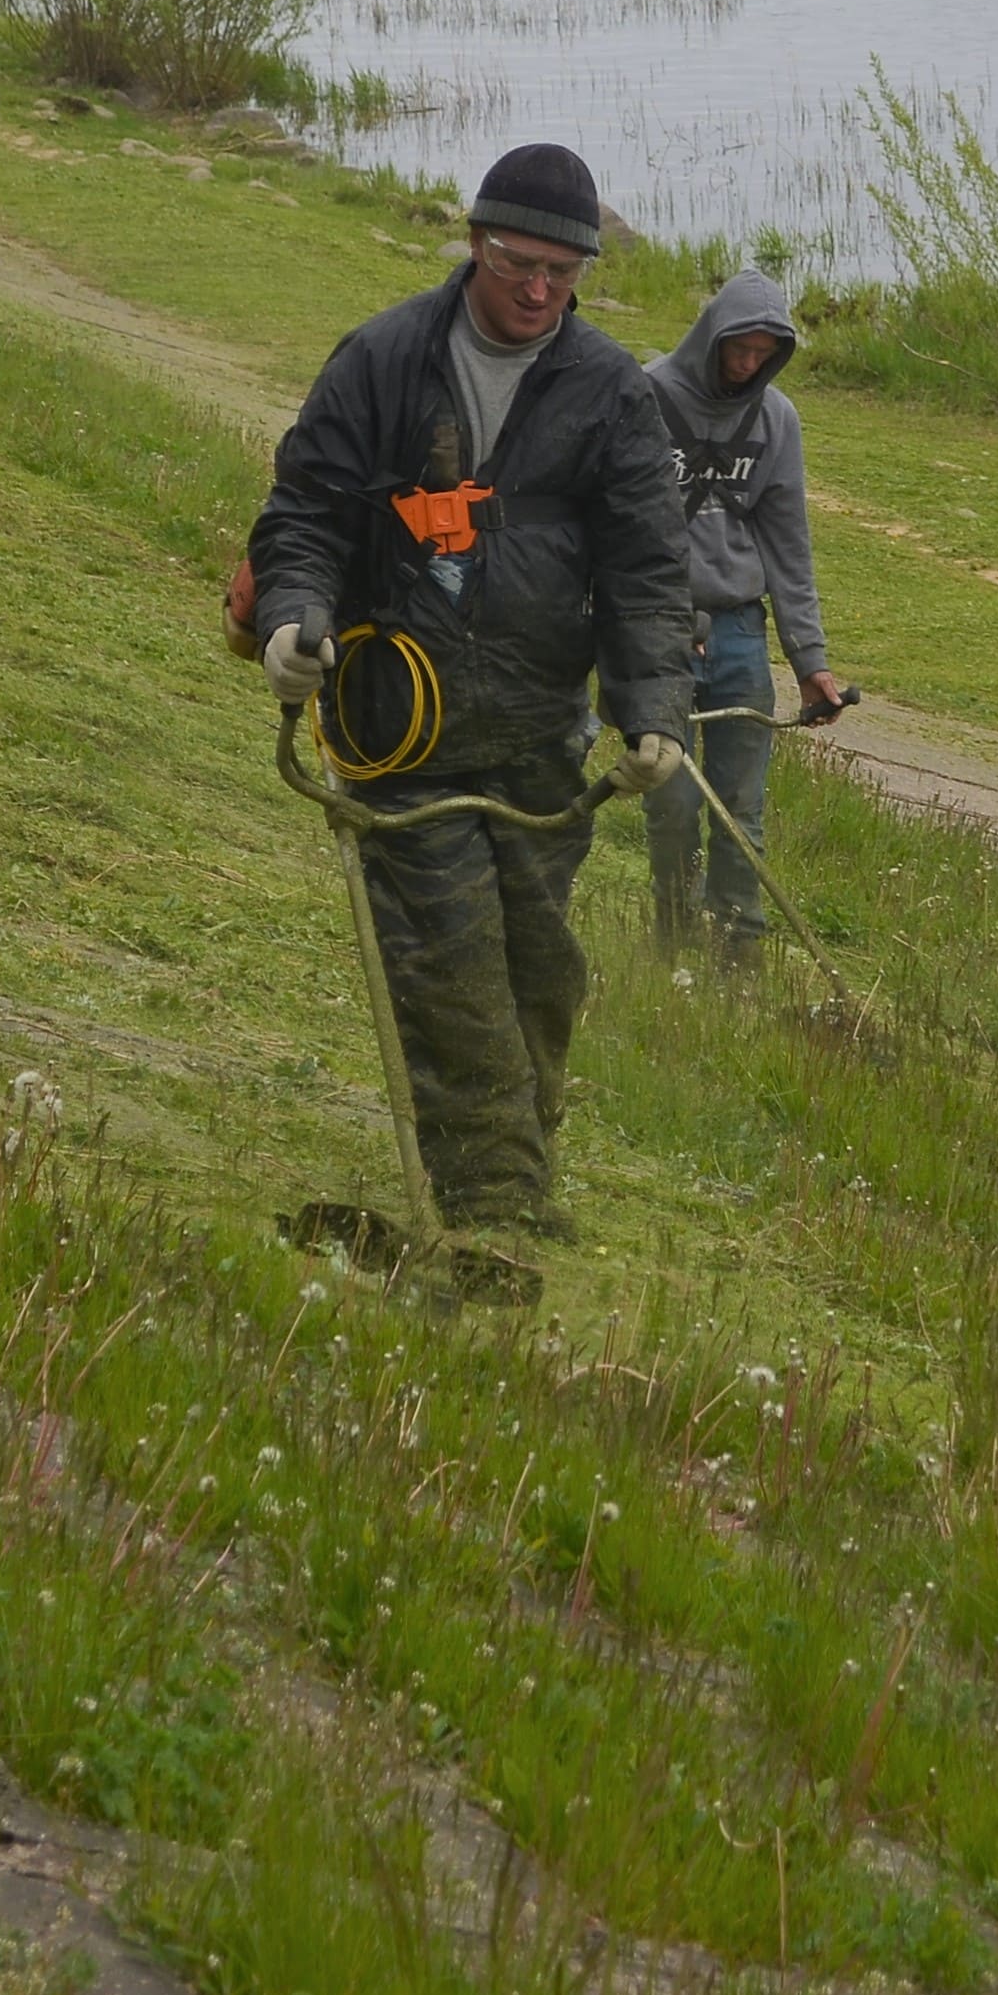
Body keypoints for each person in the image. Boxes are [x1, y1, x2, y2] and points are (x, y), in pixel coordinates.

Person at [246, 145, 697, 1239]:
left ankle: (509, 1172)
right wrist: (289, 621)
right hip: (400, 731)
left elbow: (647, 568)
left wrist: (655, 714)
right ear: (474, 245)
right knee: (452, 968)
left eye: (563, 270)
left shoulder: (610, 392)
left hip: (540, 736)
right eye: (516, 264)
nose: (539, 290)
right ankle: (496, 1214)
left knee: (542, 969)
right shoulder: (383, 361)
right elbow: (303, 514)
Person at [637, 270, 848, 952]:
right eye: (739, 350)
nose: (748, 365)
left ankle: (737, 954)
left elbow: (788, 546)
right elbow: (615, 531)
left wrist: (810, 662)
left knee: (740, 814)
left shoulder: (775, 420)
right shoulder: (645, 396)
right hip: (659, 631)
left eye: (764, 354)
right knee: (672, 803)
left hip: (739, 636)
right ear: (713, 336)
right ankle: (673, 943)